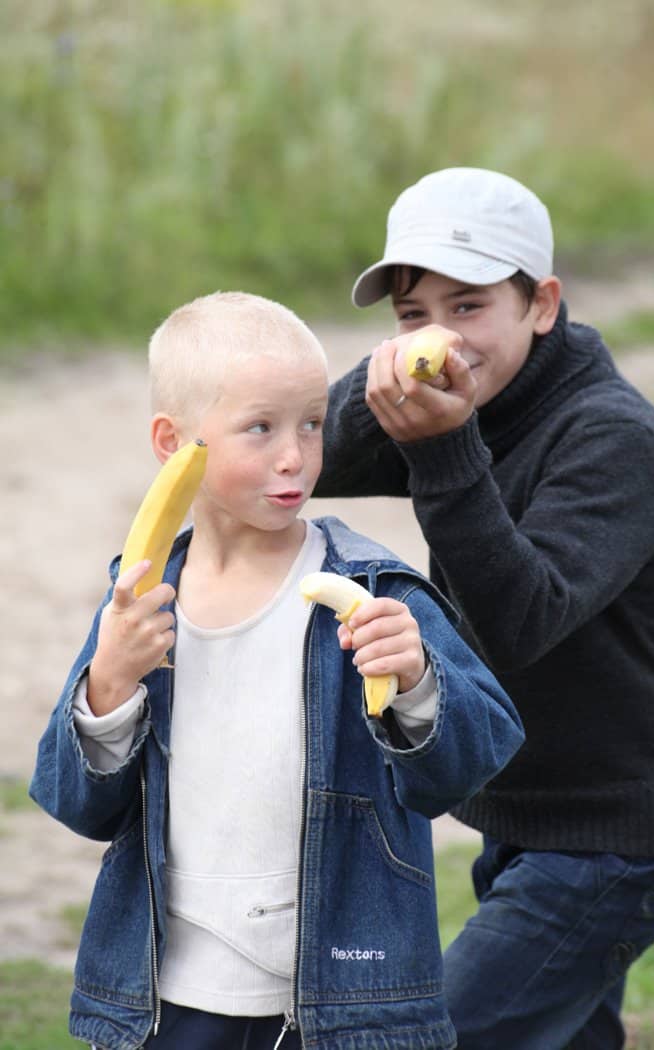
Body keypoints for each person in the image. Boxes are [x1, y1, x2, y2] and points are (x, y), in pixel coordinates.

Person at [29, 290, 524, 1050]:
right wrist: (109, 686)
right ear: (174, 442)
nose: (296, 456)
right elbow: (77, 802)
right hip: (165, 997)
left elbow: (472, 763)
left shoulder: (373, 590)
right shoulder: (136, 602)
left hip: (338, 1001)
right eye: (260, 428)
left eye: (312, 424)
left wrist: (420, 681)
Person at [315, 167, 654, 1049]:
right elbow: (308, 460)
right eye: (415, 316)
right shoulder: (461, 399)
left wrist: (445, 451)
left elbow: (516, 627)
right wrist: (387, 394)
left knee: (437, 1034)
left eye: (469, 306)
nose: (441, 340)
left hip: (619, 829)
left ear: (544, 304)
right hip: (525, 809)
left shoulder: (612, 438)